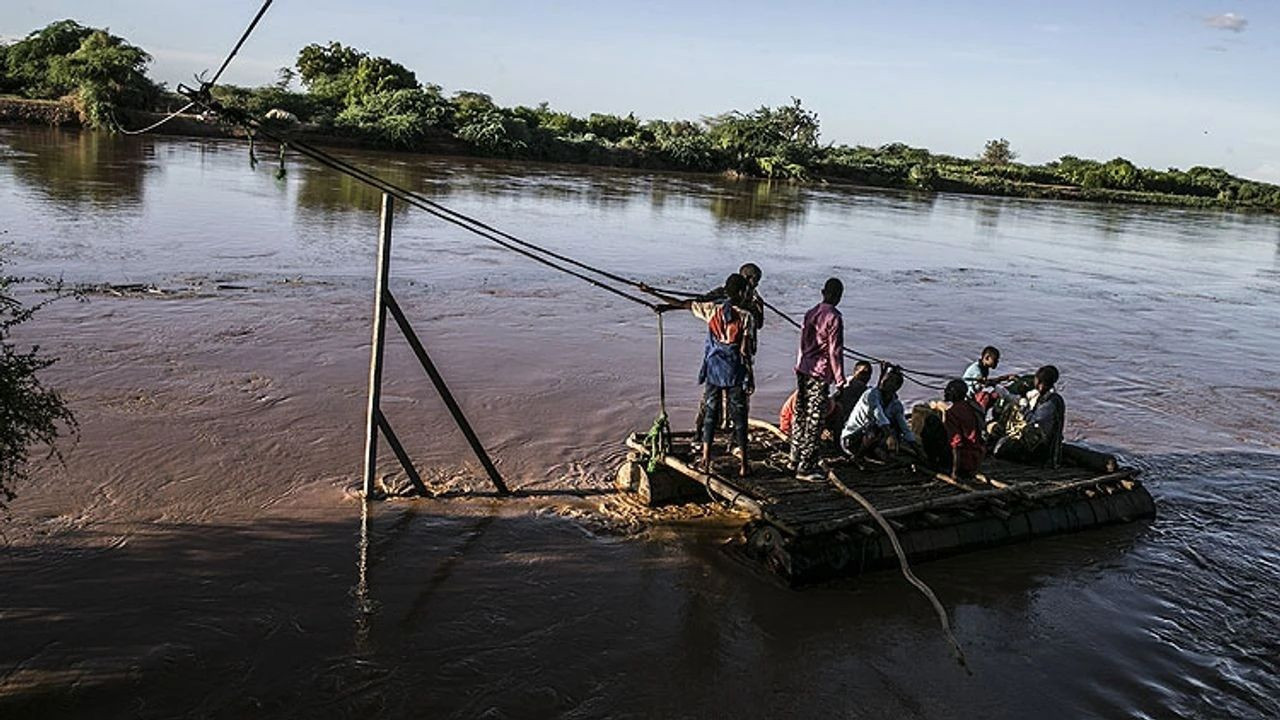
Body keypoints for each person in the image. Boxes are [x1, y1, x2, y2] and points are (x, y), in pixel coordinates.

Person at [658, 273, 755, 477]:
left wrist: (660, 302)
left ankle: (705, 458)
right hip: (735, 372)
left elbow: (684, 304)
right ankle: (745, 465)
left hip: (714, 370)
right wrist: (750, 375)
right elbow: (745, 351)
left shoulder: (712, 310)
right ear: (740, 292)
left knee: (711, 414)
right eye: (745, 291)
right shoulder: (747, 317)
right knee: (739, 417)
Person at [692, 263, 765, 436]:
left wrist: (753, 305)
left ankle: (731, 434)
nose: (757, 285)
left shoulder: (754, 300)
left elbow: (759, 323)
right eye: (756, 280)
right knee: (713, 400)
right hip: (727, 356)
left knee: (736, 401)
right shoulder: (723, 293)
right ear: (748, 279)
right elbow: (700, 302)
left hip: (736, 356)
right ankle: (701, 432)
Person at [790, 278, 845, 481]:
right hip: (819, 373)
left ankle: (794, 457)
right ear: (839, 296)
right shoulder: (834, 317)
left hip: (803, 368)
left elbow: (802, 344)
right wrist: (840, 379)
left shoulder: (810, 313)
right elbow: (835, 351)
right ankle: (806, 467)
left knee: (801, 412)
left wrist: (799, 365)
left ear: (823, 292)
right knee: (815, 419)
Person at [840, 367, 919, 462]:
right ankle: (858, 457)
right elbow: (878, 415)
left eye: (890, 380)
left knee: (896, 426)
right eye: (884, 378)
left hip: (869, 441)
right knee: (875, 427)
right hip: (851, 440)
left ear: (897, 387)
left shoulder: (896, 405)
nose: (884, 382)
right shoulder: (871, 394)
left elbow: (905, 429)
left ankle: (876, 452)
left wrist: (918, 451)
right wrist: (889, 436)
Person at [992, 365, 1065, 466]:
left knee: (1000, 450)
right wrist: (1003, 392)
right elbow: (1015, 399)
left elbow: (1033, 420)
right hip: (1034, 440)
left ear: (1040, 383)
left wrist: (1024, 407)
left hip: (1040, 447)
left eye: (1036, 380)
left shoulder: (1050, 403)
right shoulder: (1044, 395)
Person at [921, 379, 986, 478]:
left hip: (964, 461)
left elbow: (956, 444)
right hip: (975, 456)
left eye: (948, 391)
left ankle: (934, 462)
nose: (945, 393)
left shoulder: (953, 413)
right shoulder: (971, 406)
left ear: (954, 393)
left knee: (931, 422)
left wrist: (954, 472)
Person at [832, 360, 874, 432]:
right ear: (855, 372)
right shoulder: (847, 384)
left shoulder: (866, 390)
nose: (865, 376)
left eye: (868, 373)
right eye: (863, 373)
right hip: (840, 419)